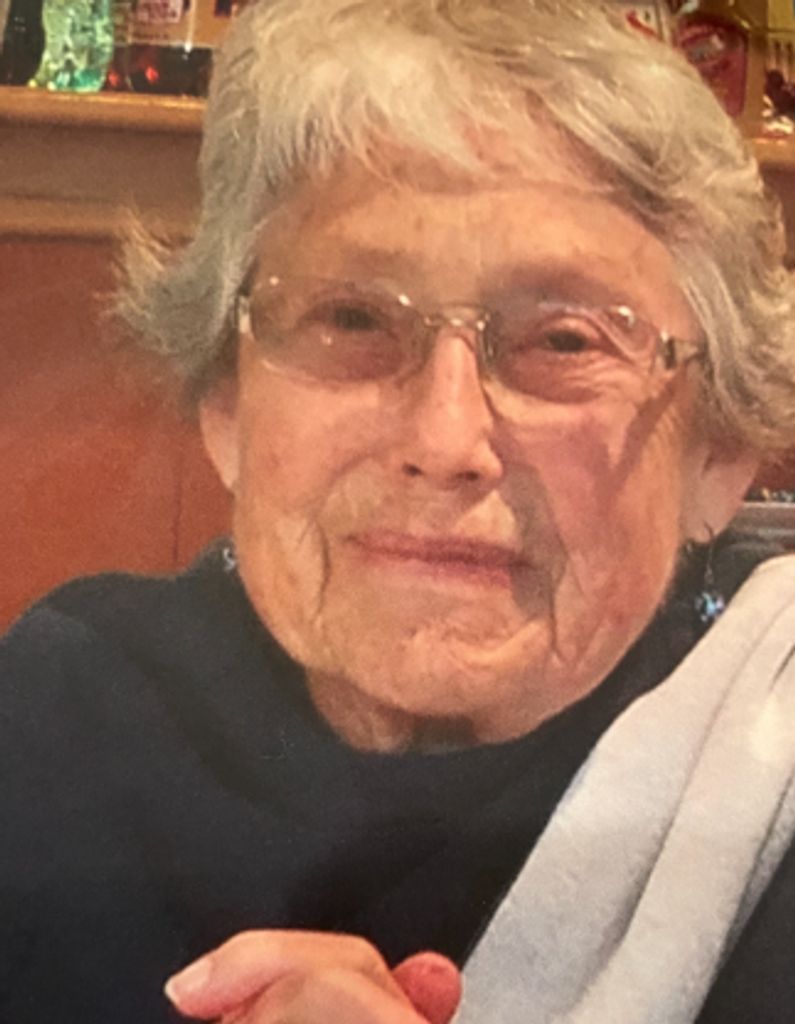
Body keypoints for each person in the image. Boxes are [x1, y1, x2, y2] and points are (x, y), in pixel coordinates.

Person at [2, 1, 795, 1022]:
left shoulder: (764, 766)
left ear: (720, 451)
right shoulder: (56, 717)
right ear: (226, 404)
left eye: (564, 340)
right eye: (351, 318)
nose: (444, 438)